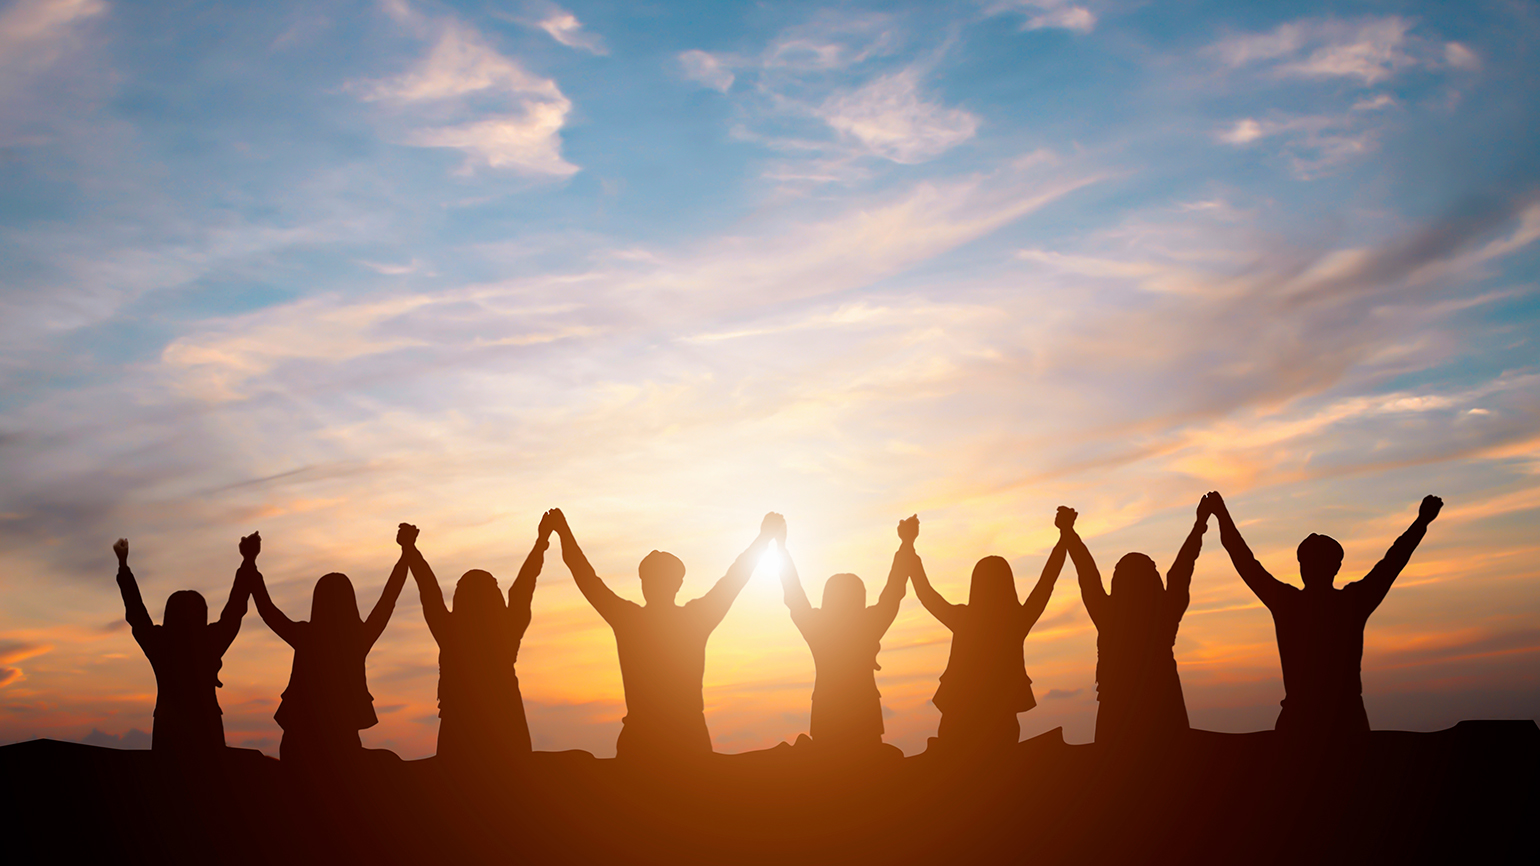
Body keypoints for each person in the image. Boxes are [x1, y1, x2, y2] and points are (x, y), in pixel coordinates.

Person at [551, 508, 781, 760]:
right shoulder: (694, 619)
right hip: (681, 742)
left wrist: (563, 532)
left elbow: (586, 577)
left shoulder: (630, 619)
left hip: (649, 743)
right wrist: (762, 539)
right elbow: (734, 578)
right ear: (677, 584)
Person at [1208, 491, 1443, 737]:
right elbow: (1393, 561)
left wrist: (1221, 514)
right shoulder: (1352, 602)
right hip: (1341, 723)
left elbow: (1244, 560)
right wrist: (1421, 522)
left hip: (1308, 725)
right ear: (1336, 567)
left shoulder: (1289, 603)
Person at [249, 524, 412, 766]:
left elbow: (267, 611)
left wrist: (250, 564)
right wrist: (406, 554)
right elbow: (388, 600)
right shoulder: (358, 638)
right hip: (341, 741)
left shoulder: (305, 636)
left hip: (299, 739)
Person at [404, 514, 555, 763]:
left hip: (460, 731)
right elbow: (524, 587)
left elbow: (428, 590)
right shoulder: (507, 630)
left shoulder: (450, 632)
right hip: (506, 728)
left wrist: (411, 550)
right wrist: (541, 543)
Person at [909, 515, 1067, 753]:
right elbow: (1047, 583)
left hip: (958, 717)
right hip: (1001, 721)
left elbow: (925, 594)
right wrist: (1064, 538)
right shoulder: (1017, 620)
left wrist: (909, 546)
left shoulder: (963, 619)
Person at [1061, 500, 1205, 746]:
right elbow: (1181, 571)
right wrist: (1199, 525)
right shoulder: (1165, 615)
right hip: (1165, 712)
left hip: (1117, 717)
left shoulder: (1108, 617)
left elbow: (1087, 572)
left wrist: (1068, 533)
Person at [113, 533, 254, 755]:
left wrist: (123, 566)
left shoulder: (160, 644)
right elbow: (235, 610)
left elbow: (136, 612)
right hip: (205, 727)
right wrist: (248, 562)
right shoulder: (210, 642)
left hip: (168, 728)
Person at [779, 516, 909, 753]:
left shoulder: (818, 628)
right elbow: (894, 593)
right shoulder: (868, 625)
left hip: (827, 722)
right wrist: (906, 545)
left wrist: (781, 549)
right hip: (865, 723)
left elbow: (794, 595)